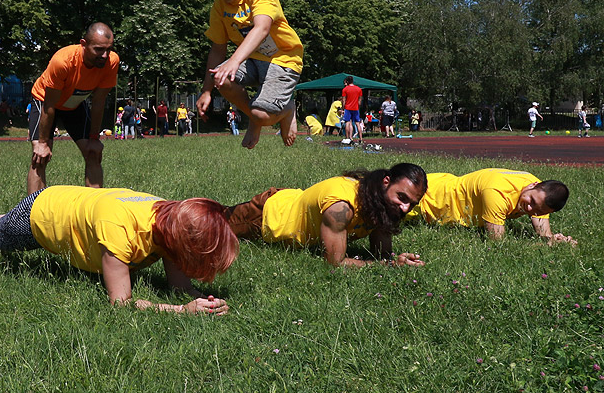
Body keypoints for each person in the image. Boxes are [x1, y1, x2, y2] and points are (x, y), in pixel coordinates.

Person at [0, 186, 237, 314]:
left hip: (72, 203)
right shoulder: (120, 232)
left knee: (7, 223)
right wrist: (181, 311)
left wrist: (199, 301)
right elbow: (121, 303)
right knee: (1, 237)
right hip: (47, 215)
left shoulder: (169, 219)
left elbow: (179, 286)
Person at [197, 0, 303, 148]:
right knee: (219, 76)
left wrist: (234, 61)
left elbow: (262, 28)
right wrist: (207, 91)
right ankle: (255, 118)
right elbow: (218, 49)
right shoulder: (219, 7)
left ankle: (286, 109)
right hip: (253, 60)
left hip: (283, 59)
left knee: (261, 115)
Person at [223, 163, 428, 267]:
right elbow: (335, 264)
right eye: (402, 197)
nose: (405, 208)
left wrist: (394, 262)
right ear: (386, 182)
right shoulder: (340, 208)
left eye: (412, 203)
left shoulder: (383, 203)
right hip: (266, 215)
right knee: (209, 224)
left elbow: (382, 255)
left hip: (295, 201)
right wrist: (386, 266)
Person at [27, 23, 119, 194]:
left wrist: (94, 138)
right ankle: (30, 214)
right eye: (99, 49)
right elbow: (49, 105)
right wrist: (42, 143)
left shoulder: (111, 62)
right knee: (40, 157)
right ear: (83, 44)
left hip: (74, 102)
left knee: (93, 153)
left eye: (109, 49)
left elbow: (99, 101)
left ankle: (94, 209)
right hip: (46, 100)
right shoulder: (63, 61)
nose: (105, 55)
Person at [409, 168, 574, 245]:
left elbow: (543, 231)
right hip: (428, 199)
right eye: (531, 201)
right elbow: (497, 242)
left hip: (442, 184)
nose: (530, 210)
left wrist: (552, 239)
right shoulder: (497, 192)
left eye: (537, 210)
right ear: (533, 185)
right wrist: (536, 245)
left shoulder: (539, 192)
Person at [340, 77, 364, 143]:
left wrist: (343, 108)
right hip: (355, 108)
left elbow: (344, 100)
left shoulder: (345, 89)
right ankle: (361, 138)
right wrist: (358, 106)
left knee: (347, 122)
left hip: (348, 108)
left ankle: (347, 138)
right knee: (357, 123)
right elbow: (360, 100)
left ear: (347, 81)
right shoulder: (358, 89)